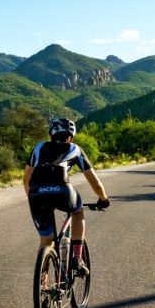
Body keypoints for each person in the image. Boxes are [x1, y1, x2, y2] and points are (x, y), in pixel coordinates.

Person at [24, 118, 109, 276]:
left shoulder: (38, 147)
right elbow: (94, 182)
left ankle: (42, 281)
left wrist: (34, 197)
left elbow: (26, 179)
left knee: (46, 240)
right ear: (70, 137)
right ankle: (77, 258)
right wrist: (103, 198)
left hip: (36, 194)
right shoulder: (75, 149)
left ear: (50, 134)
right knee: (77, 211)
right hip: (62, 191)